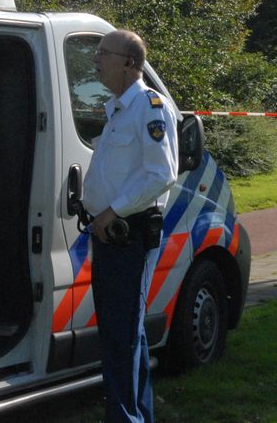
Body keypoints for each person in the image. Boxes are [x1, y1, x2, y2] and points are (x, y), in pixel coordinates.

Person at [83, 29, 179, 422]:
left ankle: (125, 418)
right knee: (124, 332)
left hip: (129, 233)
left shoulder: (149, 107)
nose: (96, 60)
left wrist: (112, 212)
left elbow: (162, 174)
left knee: (121, 335)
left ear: (130, 63)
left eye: (104, 53)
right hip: (112, 234)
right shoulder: (119, 109)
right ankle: (136, 416)